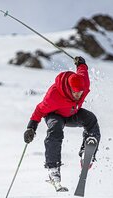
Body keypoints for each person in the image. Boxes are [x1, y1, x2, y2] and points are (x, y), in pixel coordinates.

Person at [23, 56, 101, 185]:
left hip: (72, 113)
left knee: (91, 119)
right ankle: (53, 168)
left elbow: (82, 71)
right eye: (75, 93)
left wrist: (81, 63)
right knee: (55, 130)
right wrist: (31, 127)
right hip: (55, 115)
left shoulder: (84, 83)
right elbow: (39, 110)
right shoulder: (53, 96)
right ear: (69, 88)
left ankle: (87, 151)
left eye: (81, 92)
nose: (79, 95)